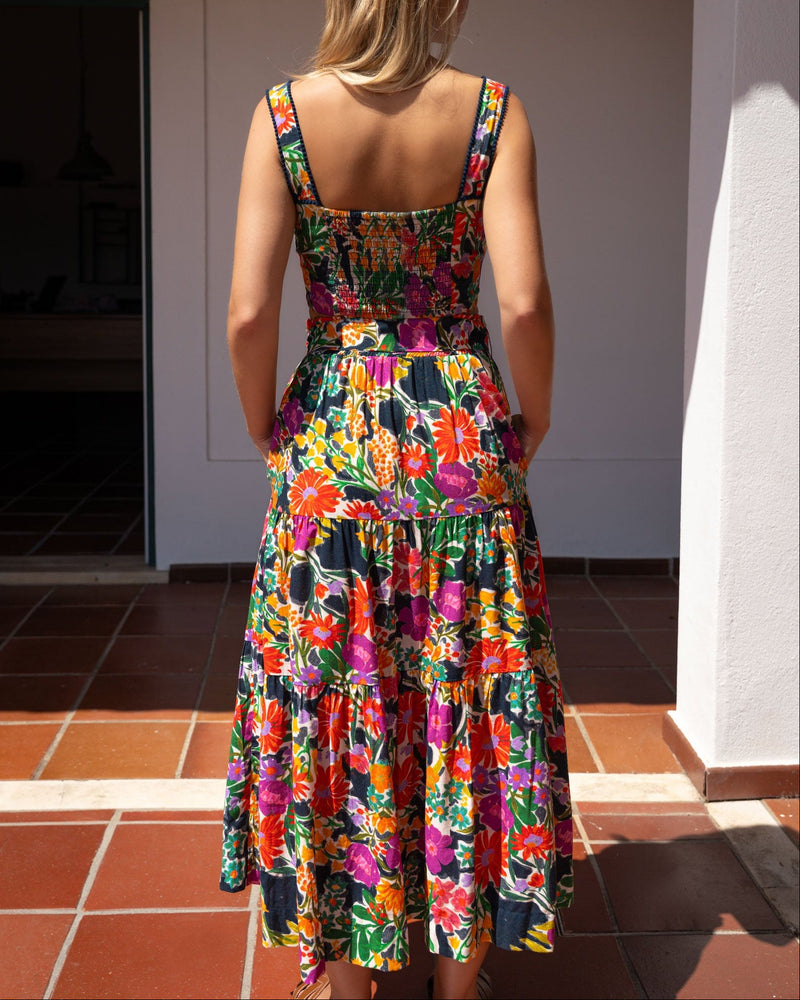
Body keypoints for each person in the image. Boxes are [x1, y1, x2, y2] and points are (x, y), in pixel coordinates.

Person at [219, 2, 572, 997]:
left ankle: (345, 970)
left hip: (333, 438)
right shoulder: (492, 113)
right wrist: (530, 417)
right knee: (468, 688)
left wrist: (262, 423)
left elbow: (250, 311)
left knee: (340, 688)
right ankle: (460, 979)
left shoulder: (283, 115)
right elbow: (524, 301)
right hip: (463, 430)